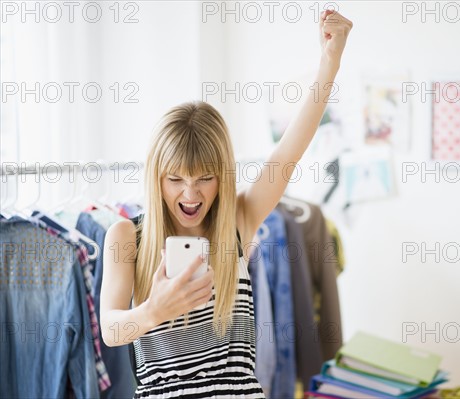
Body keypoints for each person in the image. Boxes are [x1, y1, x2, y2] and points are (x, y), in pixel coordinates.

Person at [99, 9, 353, 399]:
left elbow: (289, 153)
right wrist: (154, 310)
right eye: (175, 180)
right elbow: (111, 329)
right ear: (156, 178)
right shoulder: (127, 236)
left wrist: (329, 63)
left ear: (223, 175)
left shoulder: (238, 219)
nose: (190, 195)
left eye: (204, 179)